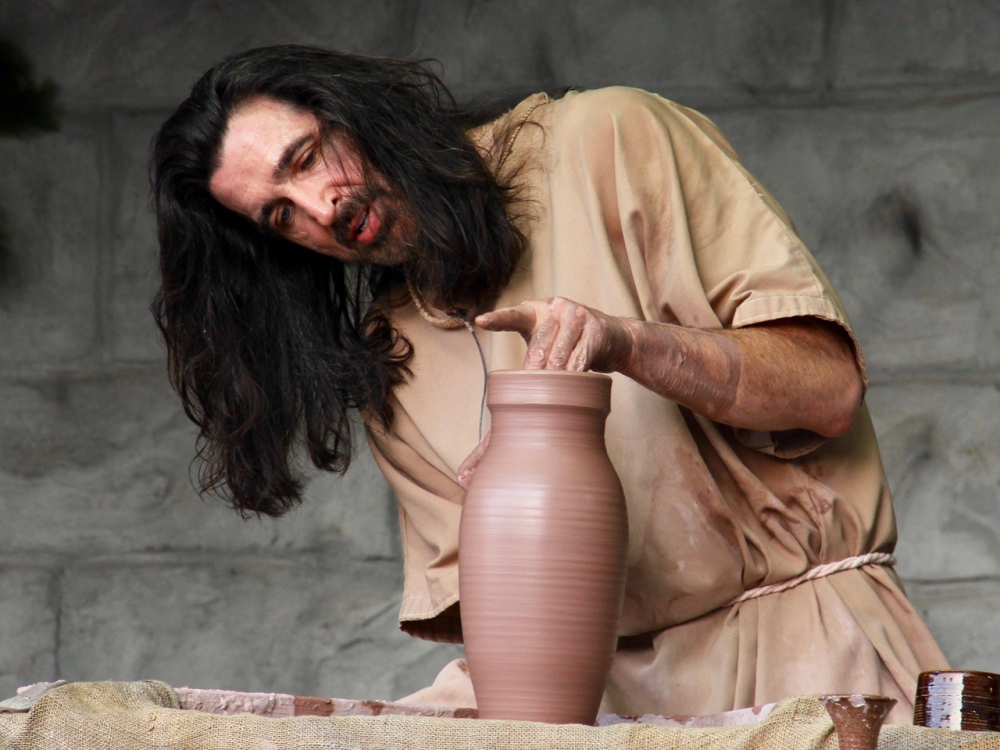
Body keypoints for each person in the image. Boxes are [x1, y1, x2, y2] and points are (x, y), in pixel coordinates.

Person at [151, 44, 947, 722]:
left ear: (356, 111)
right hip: (611, 718)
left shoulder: (609, 139)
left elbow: (827, 388)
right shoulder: (390, 362)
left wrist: (631, 345)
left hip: (820, 676)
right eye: (279, 216)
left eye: (304, 156)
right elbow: (517, 666)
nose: (317, 208)